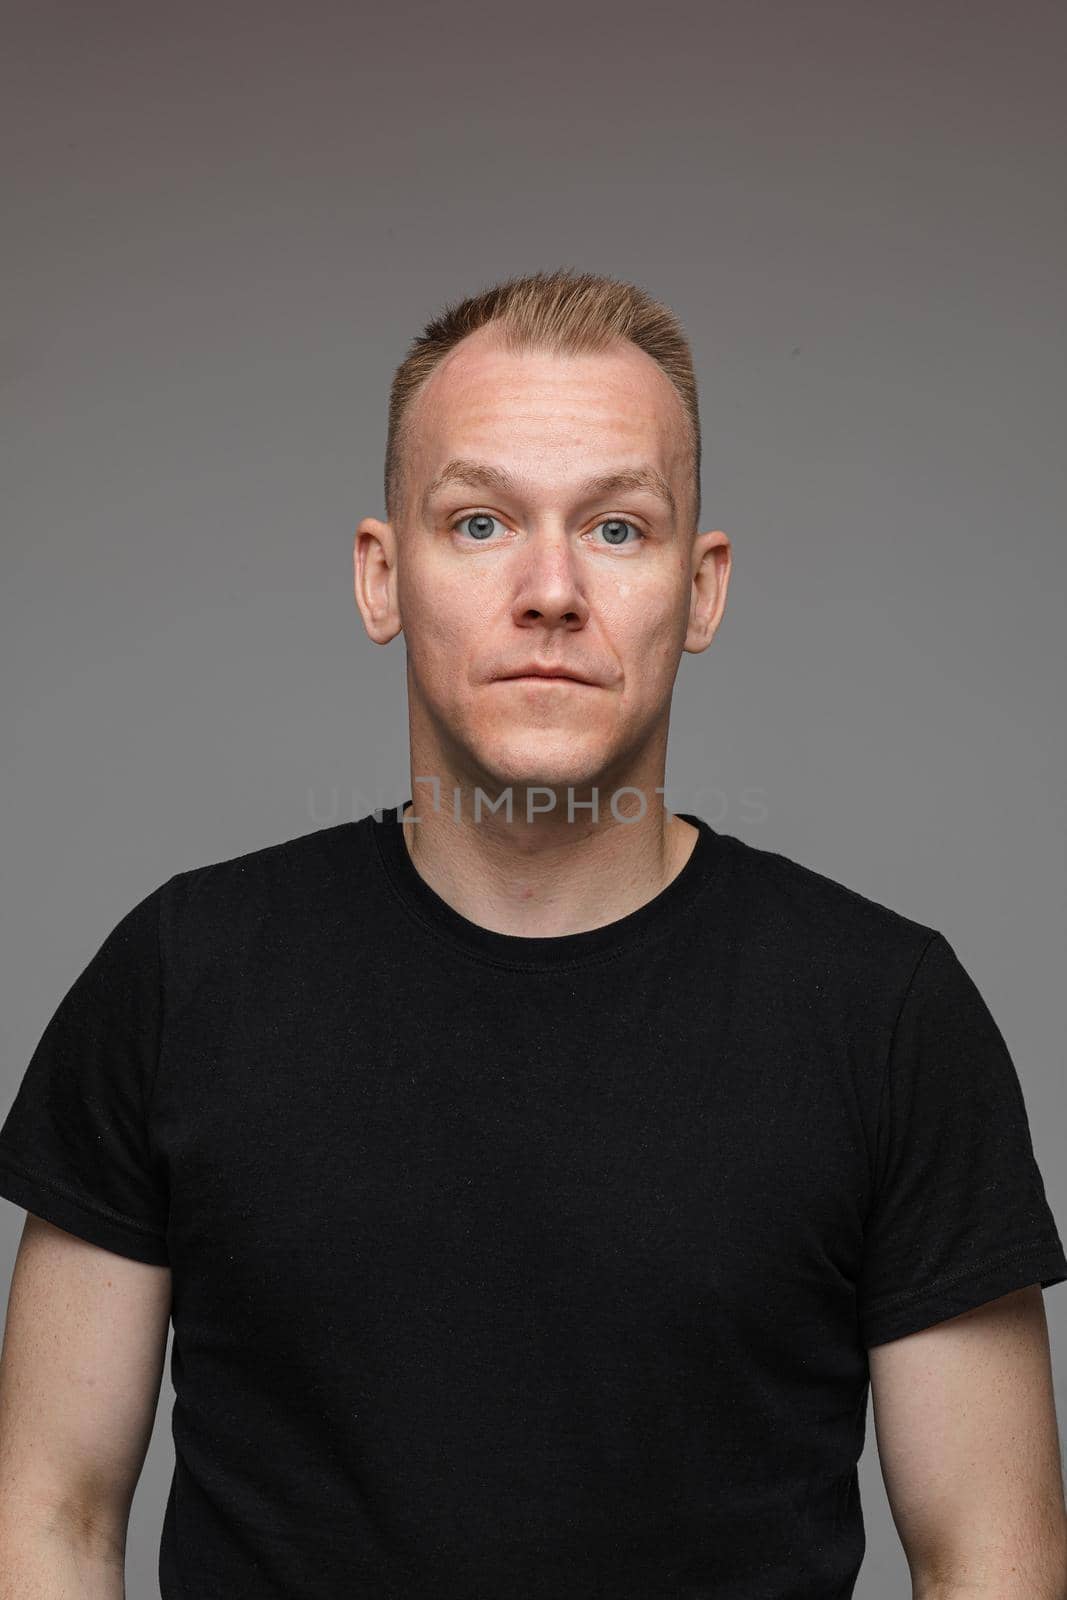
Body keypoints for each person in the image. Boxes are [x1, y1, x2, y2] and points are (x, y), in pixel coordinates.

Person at [0, 267, 1064, 1600]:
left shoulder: (888, 1016)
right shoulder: (178, 978)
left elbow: (993, 1562)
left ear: (702, 587)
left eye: (618, 528)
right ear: (383, 575)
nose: (551, 589)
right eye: (483, 521)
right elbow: (46, 1515)